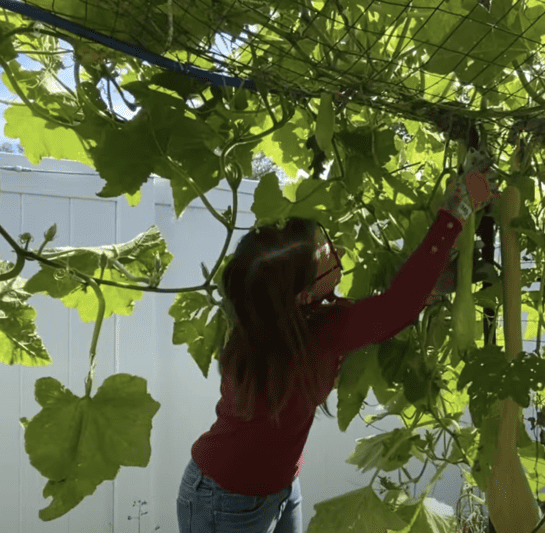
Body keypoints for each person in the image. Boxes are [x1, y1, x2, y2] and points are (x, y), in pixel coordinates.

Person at [177, 169, 498, 533]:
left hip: (279, 488)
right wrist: (455, 212)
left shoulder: (266, 320)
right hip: (225, 499)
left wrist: (437, 280)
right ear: (302, 295)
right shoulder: (317, 334)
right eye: (326, 256)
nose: (339, 252)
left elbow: (395, 305)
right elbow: (397, 307)